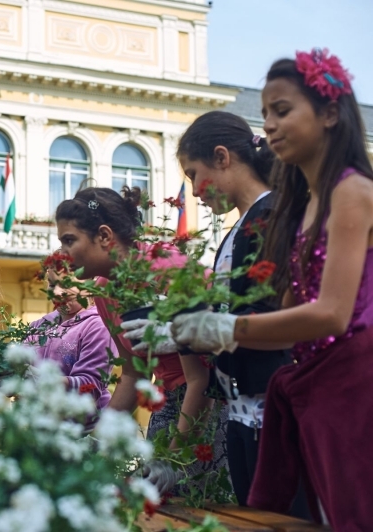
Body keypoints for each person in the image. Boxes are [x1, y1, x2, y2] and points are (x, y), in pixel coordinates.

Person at [171, 49, 373, 528]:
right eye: (265, 114)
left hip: (356, 388)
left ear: (328, 114)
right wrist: (188, 331)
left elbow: (332, 315)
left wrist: (223, 326)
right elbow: (285, 319)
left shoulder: (352, 189)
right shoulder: (302, 207)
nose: (270, 126)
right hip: (311, 389)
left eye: (282, 111)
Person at [123, 111, 291, 507]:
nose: (195, 190)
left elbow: (279, 314)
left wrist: (210, 328)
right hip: (241, 414)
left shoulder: (273, 218)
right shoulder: (237, 228)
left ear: (222, 157)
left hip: (275, 411)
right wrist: (181, 331)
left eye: (194, 174)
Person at [55, 186, 228, 495]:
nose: (61, 254)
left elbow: (202, 377)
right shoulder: (106, 288)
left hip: (210, 406)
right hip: (169, 403)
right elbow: (135, 375)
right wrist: (98, 438)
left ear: (105, 236)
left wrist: (175, 460)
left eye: (69, 240)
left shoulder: (165, 271)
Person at [26, 259, 115, 432]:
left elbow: (90, 387)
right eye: (52, 285)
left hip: (83, 431)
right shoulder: (41, 324)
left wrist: (43, 380)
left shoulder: (98, 326)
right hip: (42, 425)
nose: (57, 293)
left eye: (66, 284)